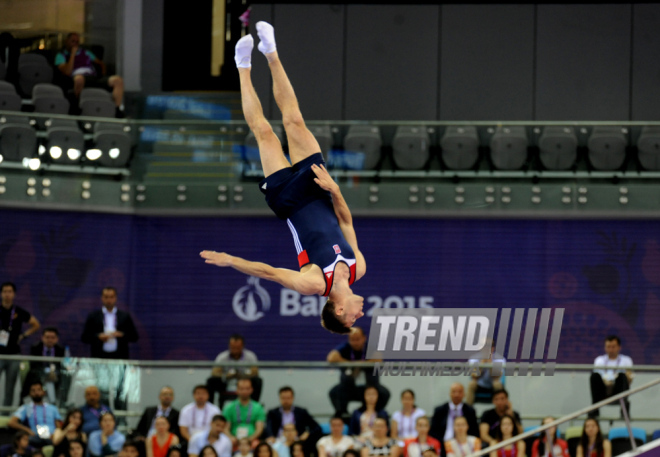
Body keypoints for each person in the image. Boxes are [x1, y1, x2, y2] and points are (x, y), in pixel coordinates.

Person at [200, 21, 367, 335]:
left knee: (263, 132)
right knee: (294, 118)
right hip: (320, 189)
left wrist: (230, 260)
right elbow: (346, 222)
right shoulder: (359, 268)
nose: (359, 316)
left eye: (351, 319)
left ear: (339, 309)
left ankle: (243, 66)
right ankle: (271, 52)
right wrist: (335, 190)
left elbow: (271, 273)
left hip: (289, 201)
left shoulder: (314, 283)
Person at [328, 328, 390, 418]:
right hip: (349, 387)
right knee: (334, 392)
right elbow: (331, 357)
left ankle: (372, 413)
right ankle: (343, 414)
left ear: (364, 338)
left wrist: (361, 364)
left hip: (370, 387)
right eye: (352, 340)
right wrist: (352, 364)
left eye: (358, 339)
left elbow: (379, 358)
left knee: (384, 393)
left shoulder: (370, 347)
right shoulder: (345, 347)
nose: (355, 342)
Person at [54, 32, 124, 110]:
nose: (75, 44)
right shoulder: (61, 55)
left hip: (92, 76)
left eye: (77, 42)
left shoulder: (86, 52)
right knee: (79, 79)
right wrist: (73, 54)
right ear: (66, 42)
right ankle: (78, 108)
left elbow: (101, 64)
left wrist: (102, 73)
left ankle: (117, 109)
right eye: (73, 41)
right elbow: (67, 72)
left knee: (117, 80)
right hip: (76, 77)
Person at [0, 282, 40, 407]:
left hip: (13, 354)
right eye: (5, 291)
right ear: (1, 294)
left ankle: (4, 413)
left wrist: (23, 335)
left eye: (10, 291)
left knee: (10, 387)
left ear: (14, 294)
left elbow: (36, 324)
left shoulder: (18, 311)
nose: (7, 294)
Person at [81, 287, 139, 360]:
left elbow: (134, 337)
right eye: (106, 297)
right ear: (102, 298)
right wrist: (98, 336)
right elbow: (84, 337)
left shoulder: (124, 316)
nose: (109, 300)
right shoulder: (94, 316)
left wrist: (121, 334)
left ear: (115, 298)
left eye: (111, 297)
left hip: (119, 357)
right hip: (99, 357)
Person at [207, 335, 262, 407]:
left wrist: (243, 376)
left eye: (238, 347)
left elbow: (255, 372)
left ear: (242, 346)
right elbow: (214, 372)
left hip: (245, 381)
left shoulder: (250, 356)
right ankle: (210, 407)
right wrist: (226, 375)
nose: (235, 349)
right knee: (211, 381)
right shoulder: (223, 356)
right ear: (229, 346)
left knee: (257, 381)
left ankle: (255, 406)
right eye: (233, 347)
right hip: (226, 381)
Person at [9, 381, 63, 447]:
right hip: (35, 437)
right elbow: (11, 422)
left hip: (51, 437)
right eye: (33, 391)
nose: (36, 393)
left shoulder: (52, 408)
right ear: (30, 393)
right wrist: (28, 430)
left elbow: (59, 427)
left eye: (39, 390)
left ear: (43, 391)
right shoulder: (26, 407)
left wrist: (55, 435)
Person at [589, 335, 633, 417]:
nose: (611, 350)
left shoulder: (626, 360)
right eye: (608, 347)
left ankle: (624, 408)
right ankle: (595, 409)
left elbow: (629, 379)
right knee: (594, 376)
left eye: (613, 347)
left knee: (622, 376)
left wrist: (613, 381)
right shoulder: (599, 360)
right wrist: (607, 383)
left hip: (618, 390)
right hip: (603, 390)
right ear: (605, 347)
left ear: (619, 347)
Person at [21, 327, 66, 406]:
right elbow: (33, 365)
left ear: (57, 339)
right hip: (38, 374)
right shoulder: (35, 347)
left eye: (52, 338)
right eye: (47, 337)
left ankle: (59, 403)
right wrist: (46, 372)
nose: (50, 340)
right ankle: (24, 404)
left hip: (55, 375)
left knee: (63, 378)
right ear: (42, 338)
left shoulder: (60, 349)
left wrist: (54, 372)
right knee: (34, 376)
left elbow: (62, 366)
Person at [222, 378, 266, 446]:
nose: (244, 391)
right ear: (237, 390)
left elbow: (259, 428)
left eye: (247, 388)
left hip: (251, 440)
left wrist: (250, 439)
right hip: (234, 440)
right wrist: (231, 438)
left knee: (257, 445)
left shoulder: (258, 407)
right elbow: (225, 428)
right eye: (241, 389)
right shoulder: (229, 408)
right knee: (225, 444)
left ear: (251, 390)